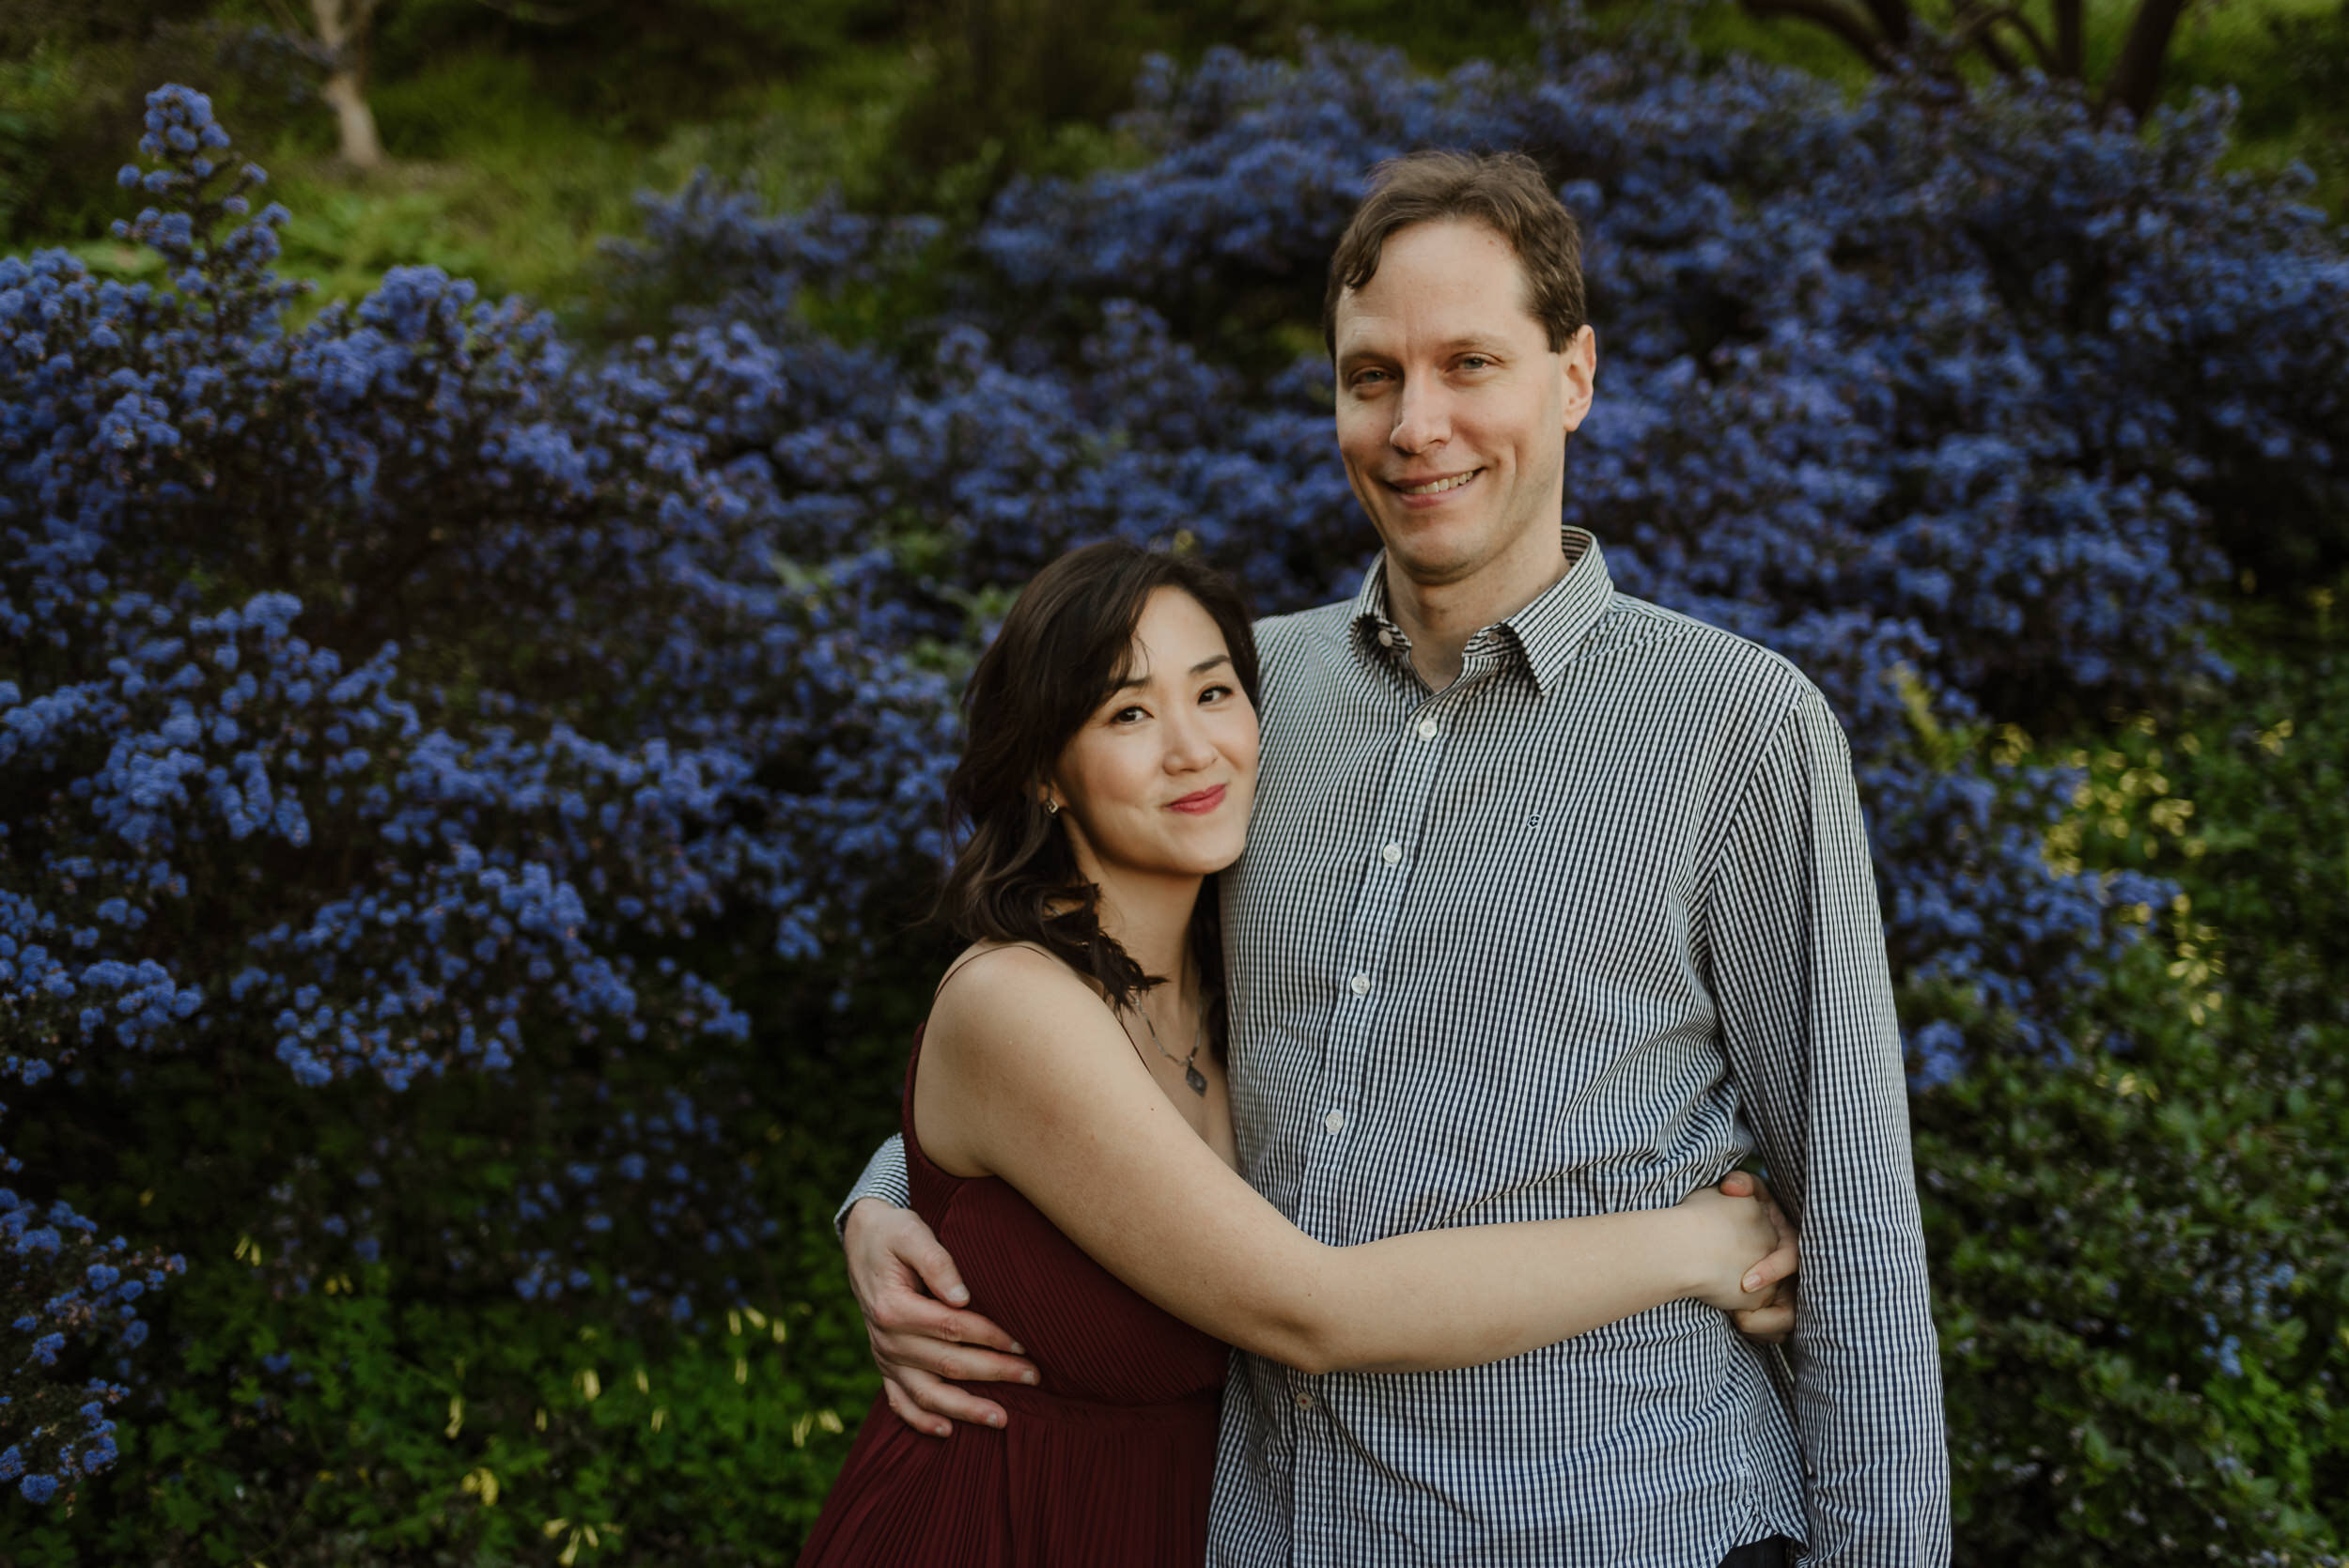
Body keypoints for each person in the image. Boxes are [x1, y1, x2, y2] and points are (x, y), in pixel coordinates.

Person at [836, 150, 1951, 1567]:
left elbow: (1856, 1230)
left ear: (1575, 377)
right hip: (1267, 1530)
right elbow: (1093, 1012)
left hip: (1622, 1526)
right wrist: (887, 1201)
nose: (1418, 425)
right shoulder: (1246, 709)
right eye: (1373, 378)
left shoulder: (1738, 729)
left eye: (1470, 363)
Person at [797, 540, 1801, 1567]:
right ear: (1047, 772)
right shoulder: (1016, 1001)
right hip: (993, 1524)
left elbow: (1019, 1161)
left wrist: (881, 1197)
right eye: (1127, 713)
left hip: (1192, 1523)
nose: (1192, 749)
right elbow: (1308, 1306)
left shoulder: (1239, 971)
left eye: (1215, 692)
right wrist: (1695, 1248)